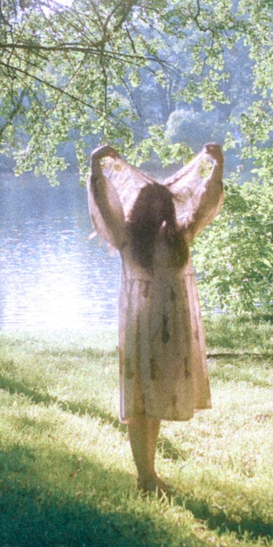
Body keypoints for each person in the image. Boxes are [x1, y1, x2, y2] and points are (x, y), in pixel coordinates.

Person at [86, 142, 224, 493]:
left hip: (171, 327)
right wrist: (94, 167)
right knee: (139, 401)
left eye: (165, 204)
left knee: (157, 398)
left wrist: (218, 166)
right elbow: (104, 204)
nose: (163, 211)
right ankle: (144, 475)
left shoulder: (180, 238)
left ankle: (150, 475)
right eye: (155, 205)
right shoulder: (126, 238)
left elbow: (206, 205)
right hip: (140, 327)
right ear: (141, 209)